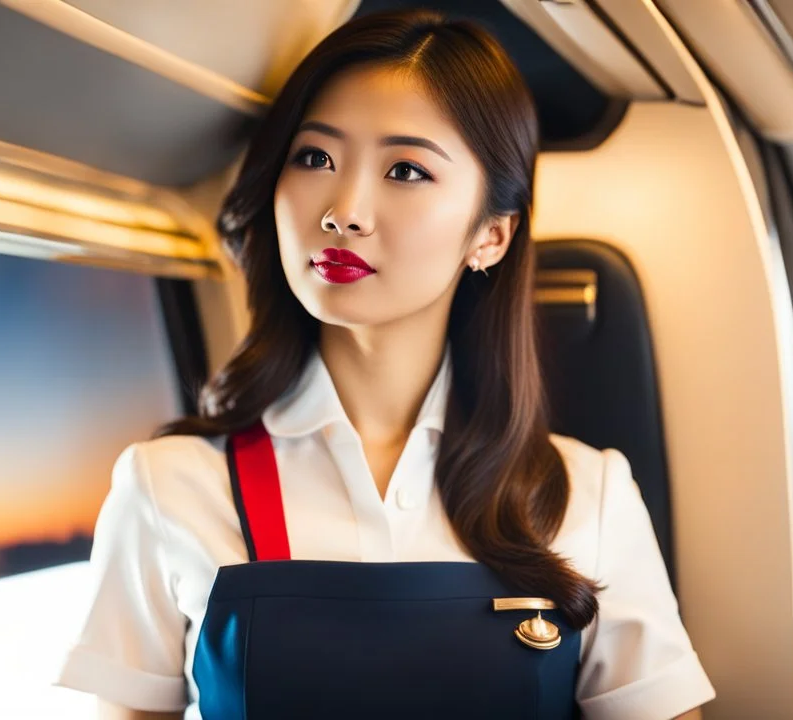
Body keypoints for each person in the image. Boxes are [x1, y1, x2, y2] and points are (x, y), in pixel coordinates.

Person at [55, 9, 714, 719]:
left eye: (405, 169)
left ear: (490, 235)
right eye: (315, 158)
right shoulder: (170, 486)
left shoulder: (588, 495)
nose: (344, 210)